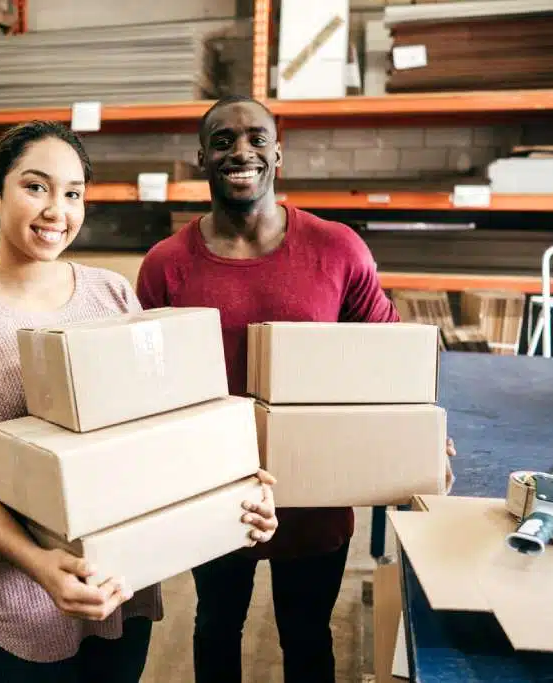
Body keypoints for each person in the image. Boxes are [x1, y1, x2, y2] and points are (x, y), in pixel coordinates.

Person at [0, 120, 279, 683]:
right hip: (21, 597)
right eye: (34, 187)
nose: (55, 210)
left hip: (122, 578)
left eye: (72, 193)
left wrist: (235, 491)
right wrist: (41, 566)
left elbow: (158, 426)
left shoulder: (110, 294)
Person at [136, 95, 456, 683]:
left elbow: (391, 358)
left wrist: (424, 436)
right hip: (213, 491)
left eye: (257, 138)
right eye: (224, 139)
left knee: (307, 635)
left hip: (314, 494)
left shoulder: (336, 248)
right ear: (201, 156)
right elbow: (149, 388)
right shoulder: (166, 264)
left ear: (278, 153)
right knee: (214, 627)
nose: (241, 151)